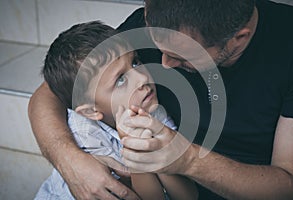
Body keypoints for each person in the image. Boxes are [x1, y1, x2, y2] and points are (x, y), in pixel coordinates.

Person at [27, 0, 293, 199]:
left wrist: (187, 160)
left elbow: (290, 187)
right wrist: (69, 161)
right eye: (155, 45)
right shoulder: (154, 19)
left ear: (237, 40)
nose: (163, 66)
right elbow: (51, 93)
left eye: (181, 56)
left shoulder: (292, 46)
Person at [33, 21, 198, 200]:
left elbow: (187, 196)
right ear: (91, 112)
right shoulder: (86, 136)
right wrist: (135, 155)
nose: (142, 77)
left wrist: (160, 155)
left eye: (135, 63)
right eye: (120, 80)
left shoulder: (154, 112)